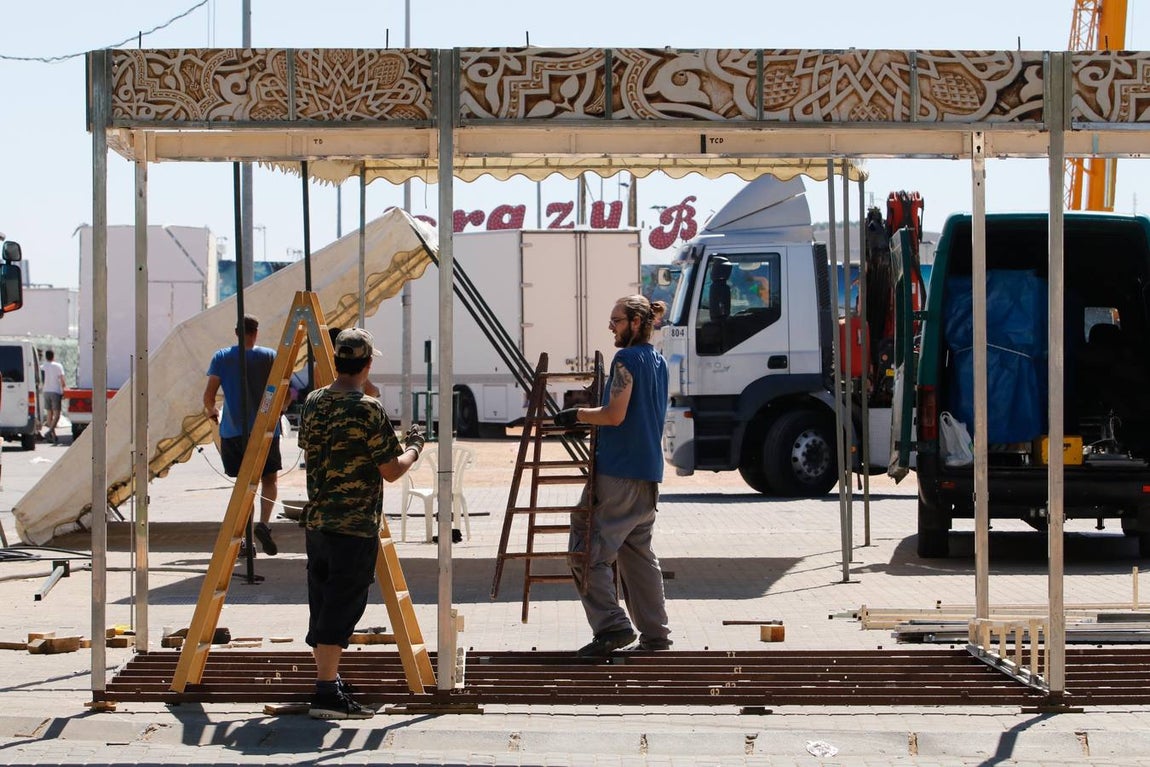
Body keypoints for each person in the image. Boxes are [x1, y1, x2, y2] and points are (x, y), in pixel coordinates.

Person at [298, 327, 425, 720]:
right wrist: (415, 449)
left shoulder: (314, 401)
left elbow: (309, 448)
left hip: (318, 521)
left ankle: (328, 681)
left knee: (322, 603)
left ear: (338, 361)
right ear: (367, 364)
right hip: (353, 525)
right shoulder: (368, 408)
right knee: (341, 605)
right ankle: (325, 693)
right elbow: (390, 470)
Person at [554, 295, 672, 657]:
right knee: (637, 555)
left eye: (617, 321)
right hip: (647, 473)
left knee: (586, 550)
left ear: (636, 323)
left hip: (618, 471)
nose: (611, 327)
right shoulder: (659, 360)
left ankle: (612, 626)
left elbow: (615, 414)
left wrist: (577, 415)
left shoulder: (627, 359)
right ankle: (656, 635)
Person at [202, 315, 282, 556]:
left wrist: (212, 411)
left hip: (233, 430)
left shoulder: (222, 357)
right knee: (269, 480)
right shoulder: (269, 356)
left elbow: (209, 395)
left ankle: (247, 541)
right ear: (255, 332)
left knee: (244, 485)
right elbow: (285, 389)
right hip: (266, 428)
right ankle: (265, 525)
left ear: (236, 333)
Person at [39, 349, 65, 444]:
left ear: (46, 356)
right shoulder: (58, 366)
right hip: (55, 392)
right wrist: (64, 390)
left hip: (46, 391)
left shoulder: (42, 367)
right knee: (57, 415)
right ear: (53, 356)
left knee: (49, 415)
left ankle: (52, 436)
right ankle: (49, 432)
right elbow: (62, 380)